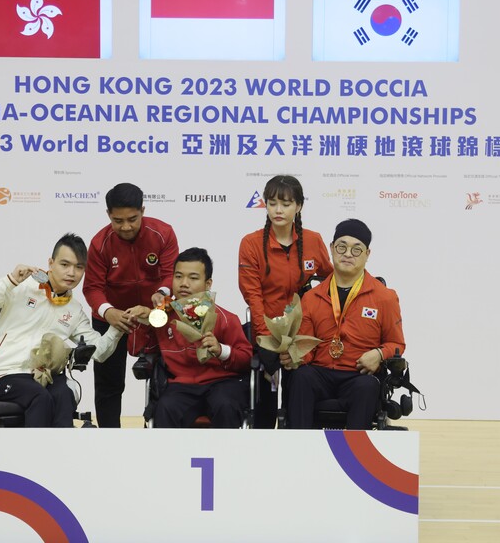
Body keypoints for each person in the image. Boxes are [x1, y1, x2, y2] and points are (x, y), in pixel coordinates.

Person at [0, 233, 122, 428]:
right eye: (65, 265)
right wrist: (11, 280)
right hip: (6, 372)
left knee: (65, 394)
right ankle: (34, 457)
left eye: (79, 267)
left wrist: (118, 327)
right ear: (51, 263)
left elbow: (99, 351)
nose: (71, 273)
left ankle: (61, 456)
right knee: (40, 397)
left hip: (44, 376)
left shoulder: (74, 310)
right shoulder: (22, 286)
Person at [282, 219, 406, 430]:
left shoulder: (385, 297)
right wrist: (294, 357)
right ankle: (298, 452)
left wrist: (378, 353)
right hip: (320, 372)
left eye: (356, 250)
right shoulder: (311, 298)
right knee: (301, 377)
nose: (348, 254)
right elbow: (307, 351)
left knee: (367, 386)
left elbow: (396, 344)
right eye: (342, 246)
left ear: (367, 255)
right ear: (331, 249)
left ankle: (355, 458)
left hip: (358, 375)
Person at [238, 175, 333, 428]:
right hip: (265, 330)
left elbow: (330, 282)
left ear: (299, 206)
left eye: (286, 203)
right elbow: (252, 295)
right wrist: (266, 340)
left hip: (303, 332)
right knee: (264, 399)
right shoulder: (251, 243)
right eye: (272, 203)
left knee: (301, 390)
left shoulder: (313, 240)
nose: (278, 210)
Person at [83, 183, 179, 427]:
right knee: (108, 386)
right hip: (113, 319)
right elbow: (92, 287)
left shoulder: (164, 233)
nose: (125, 227)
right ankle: (109, 439)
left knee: (167, 378)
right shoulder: (98, 243)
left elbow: (173, 276)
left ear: (143, 210)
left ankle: (162, 433)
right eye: (118, 220)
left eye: (132, 219)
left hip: (156, 313)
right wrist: (109, 312)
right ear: (108, 215)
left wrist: (161, 294)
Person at [128, 247, 253, 428]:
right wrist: (142, 321)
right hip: (181, 386)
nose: (184, 283)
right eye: (178, 277)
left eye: (193, 278)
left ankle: (226, 456)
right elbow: (136, 350)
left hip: (222, 383)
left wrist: (221, 350)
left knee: (225, 405)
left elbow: (247, 360)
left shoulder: (226, 318)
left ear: (208, 284)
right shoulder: (162, 316)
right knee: (165, 407)